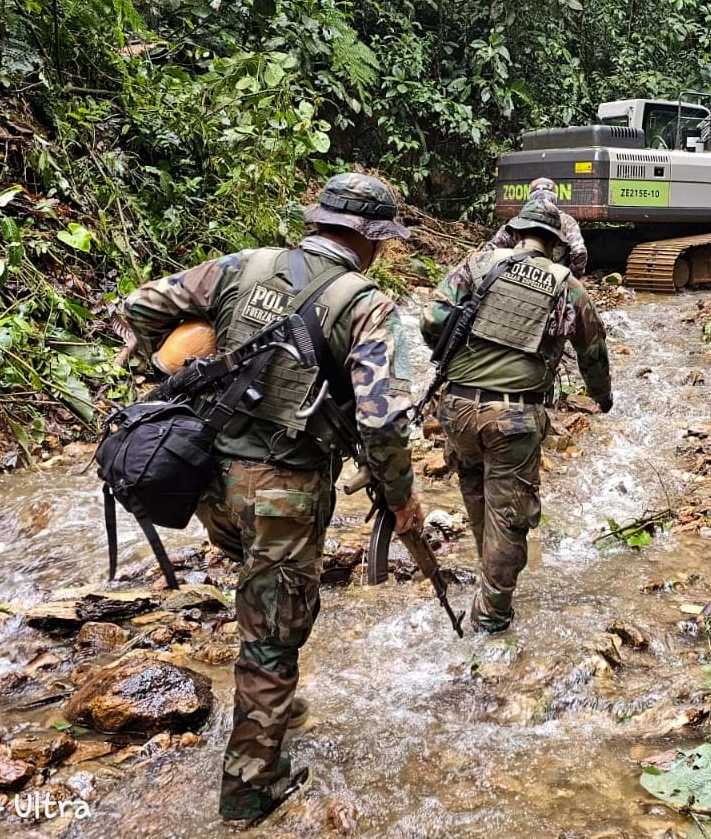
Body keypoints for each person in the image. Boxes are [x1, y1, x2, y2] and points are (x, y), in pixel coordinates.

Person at [118, 173, 424, 824]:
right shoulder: (368, 305)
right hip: (282, 492)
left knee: (267, 602)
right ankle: (250, 790)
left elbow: (140, 305)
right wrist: (401, 500)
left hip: (204, 478)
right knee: (272, 634)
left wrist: (167, 367)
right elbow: (382, 422)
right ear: (372, 240)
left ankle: (270, 706)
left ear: (319, 222)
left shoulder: (240, 266)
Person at [421, 198, 612, 633]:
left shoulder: (477, 264)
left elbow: (432, 321)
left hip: (457, 409)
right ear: (557, 245)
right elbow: (592, 350)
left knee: (478, 499)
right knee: (509, 518)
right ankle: (492, 621)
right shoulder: (567, 285)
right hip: (513, 418)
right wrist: (602, 398)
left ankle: (488, 581)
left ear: (515, 232)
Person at [487, 177, 588, 276]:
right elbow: (579, 252)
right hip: (552, 278)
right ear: (554, 198)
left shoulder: (516, 221)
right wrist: (571, 277)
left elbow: (489, 251)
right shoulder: (567, 221)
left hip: (519, 274)